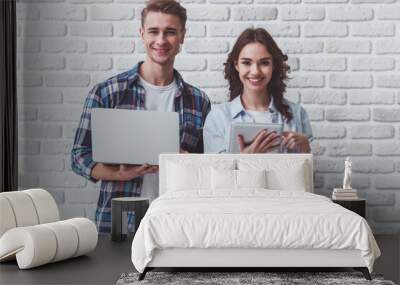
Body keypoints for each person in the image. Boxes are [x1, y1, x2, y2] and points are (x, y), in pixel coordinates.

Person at [71, 0, 210, 233]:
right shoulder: (107, 93)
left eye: (171, 32)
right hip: (119, 222)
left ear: (182, 36)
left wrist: (188, 161)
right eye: (154, 31)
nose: (161, 40)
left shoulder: (198, 101)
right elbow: (78, 156)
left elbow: (207, 168)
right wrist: (118, 174)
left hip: (177, 222)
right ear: (142, 33)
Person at [203, 28, 312, 154]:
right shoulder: (218, 117)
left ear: (274, 65)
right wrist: (246, 157)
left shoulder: (297, 114)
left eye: (264, 63)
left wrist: (305, 148)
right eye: (246, 63)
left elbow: (308, 172)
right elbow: (214, 171)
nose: (255, 71)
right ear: (236, 65)